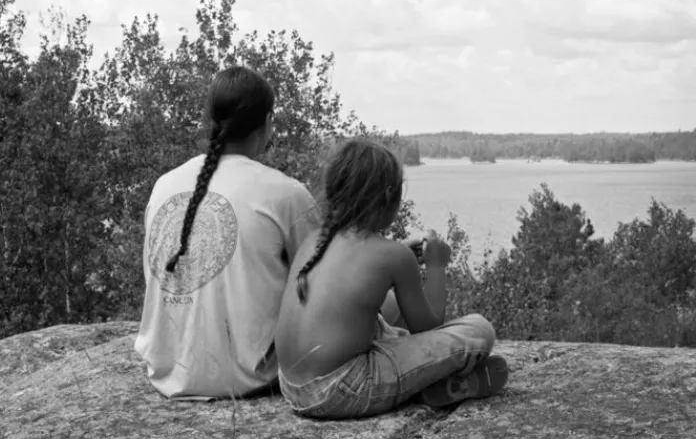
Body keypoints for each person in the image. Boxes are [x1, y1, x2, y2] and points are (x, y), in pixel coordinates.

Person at [274, 138, 508, 419]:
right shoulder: (393, 256)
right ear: (389, 196)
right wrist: (435, 265)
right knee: (479, 330)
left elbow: (354, 284)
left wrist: (401, 259)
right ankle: (440, 382)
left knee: (384, 305)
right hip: (341, 392)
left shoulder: (314, 240)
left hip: (290, 385)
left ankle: (423, 380)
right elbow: (430, 325)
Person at [134, 66, 320, 400]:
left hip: (166, 371)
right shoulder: (286, 194)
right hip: (251, 376)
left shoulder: (164, 185)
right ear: (266, 122)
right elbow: (319, 281)